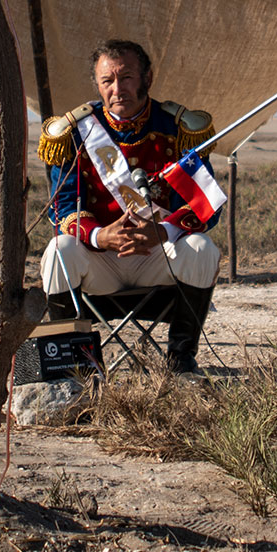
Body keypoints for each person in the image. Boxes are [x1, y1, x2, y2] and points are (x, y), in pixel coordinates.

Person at [38, 39, 220, 373]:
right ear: (98, 85)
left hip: (159, 257)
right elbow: (62, 209)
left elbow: (206, 206)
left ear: (147, 78)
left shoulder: (177, 129)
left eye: (127, 78)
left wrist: (163, 232)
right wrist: (98, 236)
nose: (117, 89)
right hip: (101, 260)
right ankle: (72, 366)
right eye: (108, 81)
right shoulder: (77, 133)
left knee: (202, 248)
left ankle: (181, 360)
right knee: (58, 251)